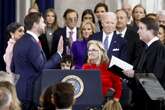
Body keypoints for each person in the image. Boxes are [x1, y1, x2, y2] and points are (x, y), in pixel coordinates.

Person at [11, 12, 63, 110]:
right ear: (35, 24)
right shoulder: (32, 43)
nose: (45, 24)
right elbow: (42, 67)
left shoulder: (20, 42)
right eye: (43, 22)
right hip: (29, 93)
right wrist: (58, 54)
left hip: (20, 91)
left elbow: (12, 67)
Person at [124, 17, 165, 110]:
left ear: (151, 31)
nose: (138, 31)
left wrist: (134, 74)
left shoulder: (160, 49)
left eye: (141, 28)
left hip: (152, 102)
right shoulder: (146, 48)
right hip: (142, 99)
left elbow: (155, 79)